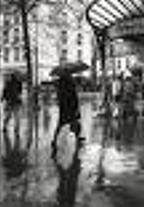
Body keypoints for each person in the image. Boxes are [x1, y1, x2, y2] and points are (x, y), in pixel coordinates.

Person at [51, 73, 84, 207]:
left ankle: (55, 141)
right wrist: (77, 111)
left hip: (64, 110)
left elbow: (59, 100)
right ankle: (74, 140)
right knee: (72, 125)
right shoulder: (70, 86)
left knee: (61, 125)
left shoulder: (60, 87)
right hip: (70, 110)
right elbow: (75, 100)